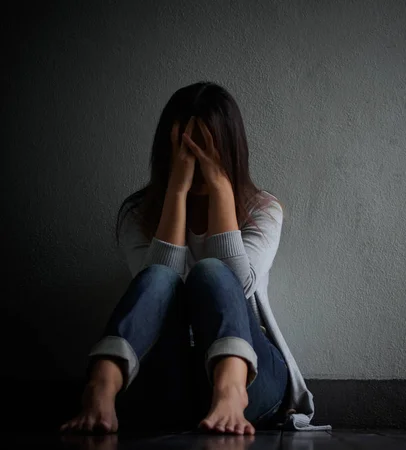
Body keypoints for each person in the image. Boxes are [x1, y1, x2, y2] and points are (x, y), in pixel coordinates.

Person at [59, 82, 330, 435]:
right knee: (158, 278)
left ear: (229, 149)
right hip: (168, 378)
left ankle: (230, 393)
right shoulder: (137, 215)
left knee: (211, 271)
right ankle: (101, 387)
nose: (198, 158)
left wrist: (219, 185)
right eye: (187, 148)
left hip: (253, 380)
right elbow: (154, 290)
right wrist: (177, 189)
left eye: (208, 148)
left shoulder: (263, 211)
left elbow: (239, 284)